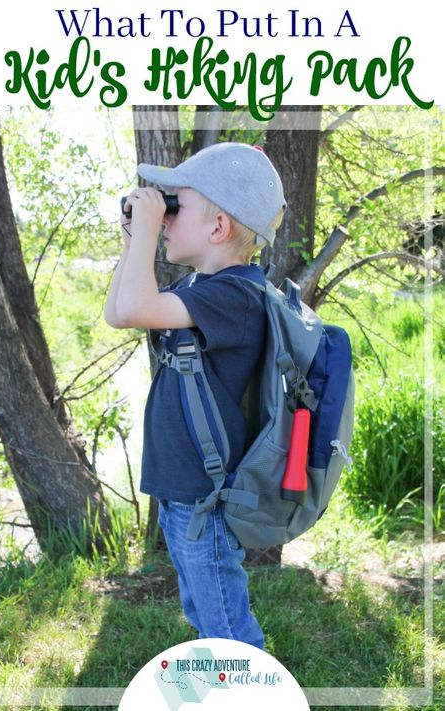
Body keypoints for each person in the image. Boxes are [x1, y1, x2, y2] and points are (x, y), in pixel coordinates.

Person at [104, 142, 286, 649]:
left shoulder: (237, 296)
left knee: (228, 631)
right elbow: (119, 312)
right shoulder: (201, 286)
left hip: (203, 496)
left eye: (174, 206)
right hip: (182, 490)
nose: (163, 219)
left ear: (218, 227)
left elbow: (136, 306)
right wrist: (132, 240)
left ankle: (250, 697)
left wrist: (144, 232)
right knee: (205, 614)